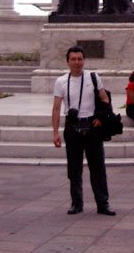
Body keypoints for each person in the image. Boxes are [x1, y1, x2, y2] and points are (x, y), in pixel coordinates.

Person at [51, 46, 115, 216]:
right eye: (73, 59)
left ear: (84, 60)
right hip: (72, 128)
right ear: (67, 62)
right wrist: (55, 132)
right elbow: (56, 108)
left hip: (92, 127)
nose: (77, 62)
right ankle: (76, 203)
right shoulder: (61, 82)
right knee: (74, 168)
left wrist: (101, 117)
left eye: (80, 59)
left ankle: (103, 204)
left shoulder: (93, 77)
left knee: (98, 168)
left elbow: (104, 98)